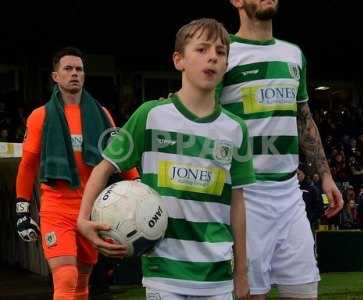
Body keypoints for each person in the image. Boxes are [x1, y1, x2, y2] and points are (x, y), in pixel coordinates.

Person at [77, 18, 255, 299]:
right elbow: (103, 168)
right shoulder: (151, 115)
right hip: (164, 275)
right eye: (202, 49)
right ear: (179, 60)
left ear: (226, 65)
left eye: (221, 52)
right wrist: (82, 219)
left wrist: (242, 272)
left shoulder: (236, 129)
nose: (213, 57)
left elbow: (238, 202)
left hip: (218, 277)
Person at [218, 1, 344, 299]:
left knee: (304, 291)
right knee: (250, 294)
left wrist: (325, 176)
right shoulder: (222, 53)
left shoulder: (293, 53)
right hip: (244, 195)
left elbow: (304, 119)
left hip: (289, 193)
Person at [15, 46, 138, 300]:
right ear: (55, 76)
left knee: (82, 282)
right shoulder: (40, 116)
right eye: (68, 69)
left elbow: (120, 155)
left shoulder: (101, 114)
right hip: (56, 208)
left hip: (90, 209)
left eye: (79, 69)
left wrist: (138, 185)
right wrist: (22, 211)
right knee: (66, 278)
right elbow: (27, 165)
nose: (74, 74)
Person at [297, 164, 324, 233]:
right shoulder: (294, 188)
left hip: (309, 224)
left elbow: (319, 208)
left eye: (298, 174)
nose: (296, 177)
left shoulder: (312, 188)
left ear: (304, 174)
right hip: (296, 224)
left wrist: (308, 219)